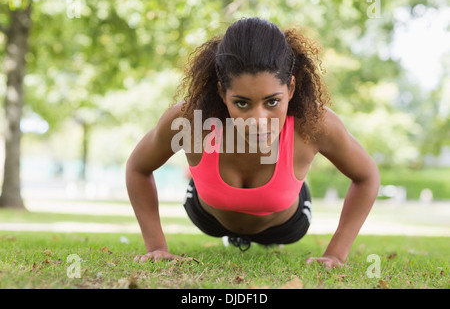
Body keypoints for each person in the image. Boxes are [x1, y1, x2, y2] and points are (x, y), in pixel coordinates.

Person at [126, 17, 380, 269]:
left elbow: (367, 176)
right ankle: (231, 232)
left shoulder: (314, 125)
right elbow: (138, 168)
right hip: (209, 218)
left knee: (282, 209)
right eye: (242, 103)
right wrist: (157, 247)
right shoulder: (189, 121)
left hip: (284, 227)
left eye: (272, 102)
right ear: (222, 92)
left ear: (290, 89)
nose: (258, 120)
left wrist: (335, 254)